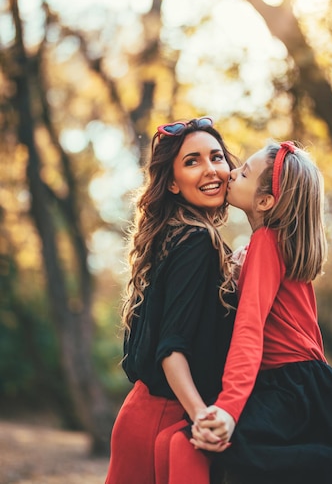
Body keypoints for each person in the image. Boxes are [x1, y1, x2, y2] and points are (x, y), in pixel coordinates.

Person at [182, 140, 332, 484]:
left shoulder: (267, 241)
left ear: (264, 201)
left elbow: (249, 330)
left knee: (211, 435)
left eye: (244, 173)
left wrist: (230, 409)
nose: (231, 173)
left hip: (291, 387)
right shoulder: (265, 246)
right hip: (307, 387)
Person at [105, 116, 238, 484]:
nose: (210, 170)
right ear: (173, 183)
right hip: (165, 417)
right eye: (192, 161)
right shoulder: (196, 241)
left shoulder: (175, 236)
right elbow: (171, 346)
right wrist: (202, 418)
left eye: (216, 157)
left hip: (143, 413)